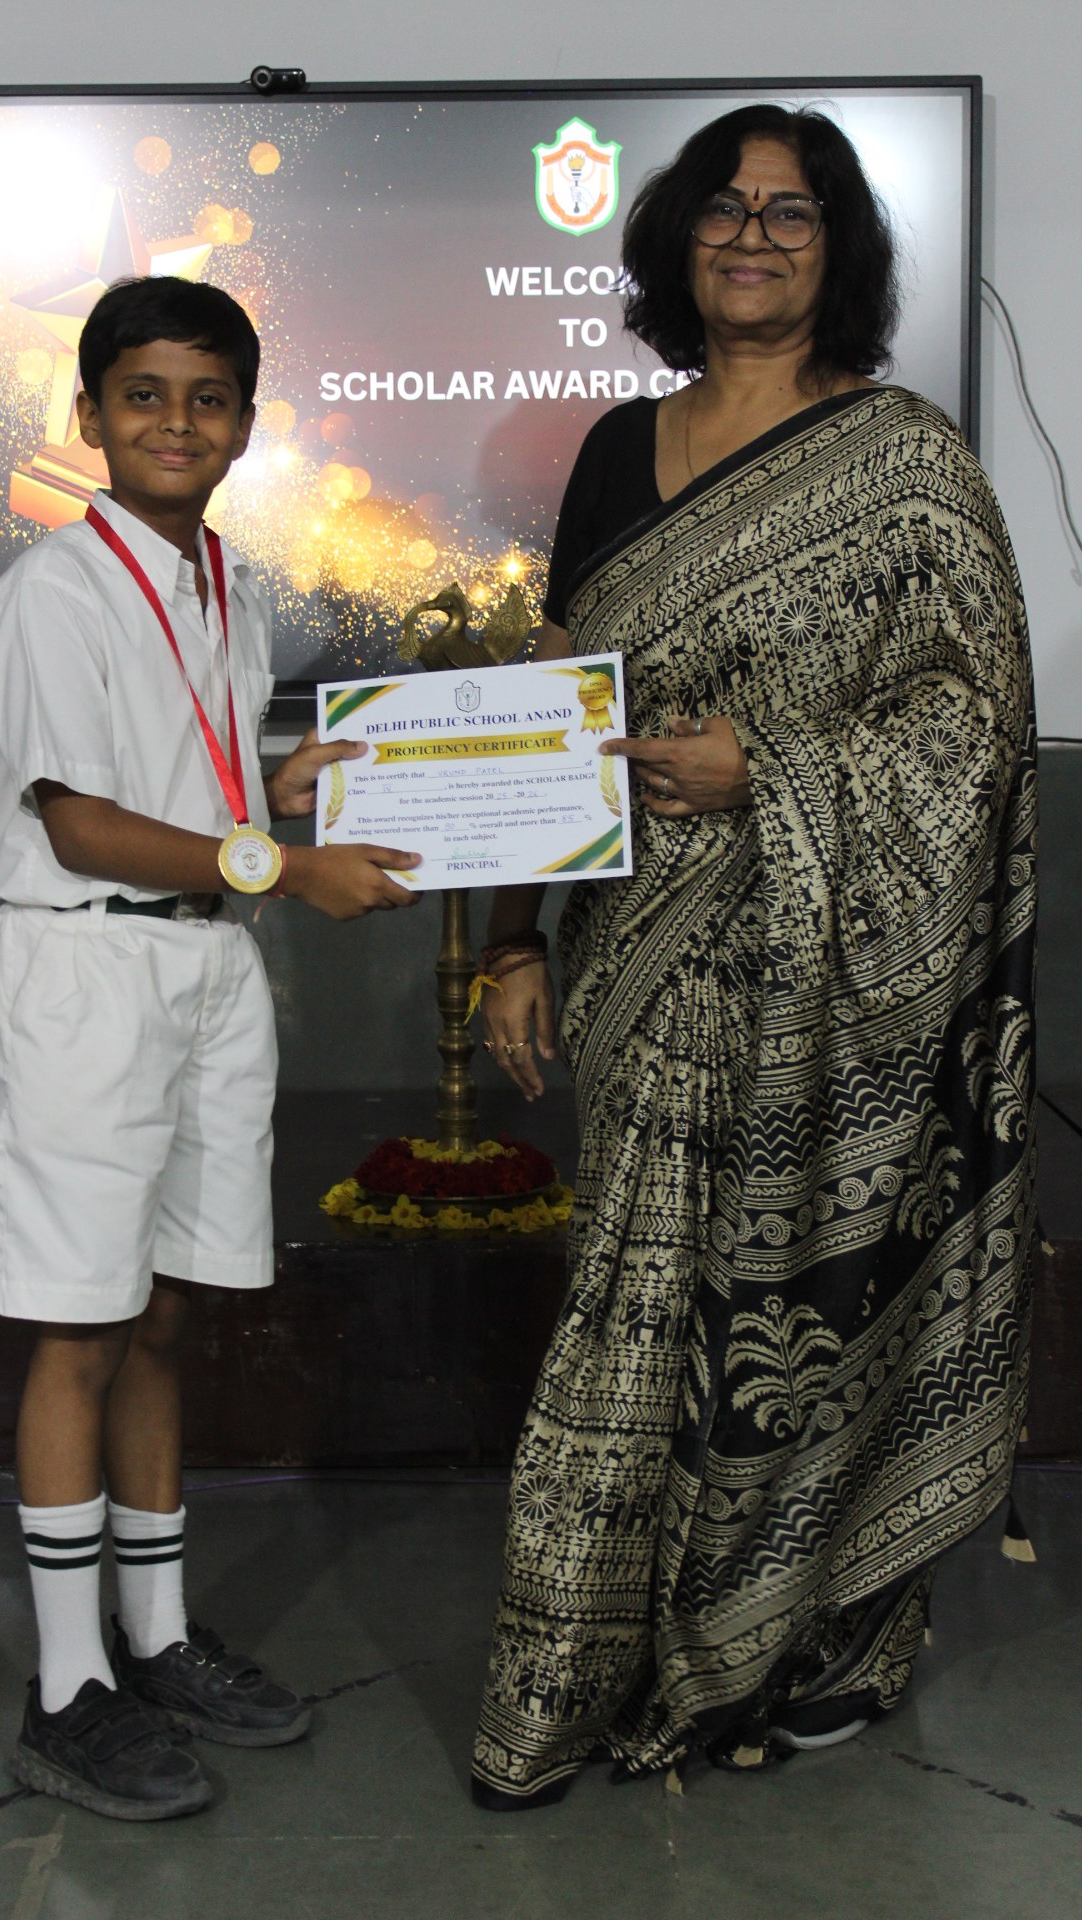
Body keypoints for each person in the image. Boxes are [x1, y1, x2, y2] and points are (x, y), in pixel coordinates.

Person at [471, 104, 1036, 1806]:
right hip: (642, 957)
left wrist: (767, 772)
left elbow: (973, 732)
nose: (754, 237)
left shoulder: (910, 461)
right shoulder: (613, 451)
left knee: (809, 1302)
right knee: (641, 1302)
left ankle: (806, 1645)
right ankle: (583, 1673)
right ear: (677, 240)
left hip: (839, 980)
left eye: (792, 213)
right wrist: (512, 939)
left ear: (837, 247)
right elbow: (551, 713)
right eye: (725, 208)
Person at [0, 275, 420, 1820]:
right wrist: (283, 863)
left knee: (162, 1314)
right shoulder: (49, 595)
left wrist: (275, 794)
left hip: (207, 970)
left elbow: (181, 787)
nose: (177, 423)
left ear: (245, 422)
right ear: (88, 415)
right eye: (144, 394)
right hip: (87, 971)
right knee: (78, 1330)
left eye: (208, 397)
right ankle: (65, 1691)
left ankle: (154, 1640)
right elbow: (83, 825)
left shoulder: (226, 580)